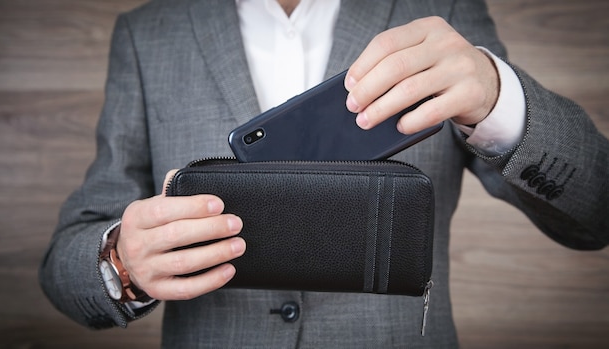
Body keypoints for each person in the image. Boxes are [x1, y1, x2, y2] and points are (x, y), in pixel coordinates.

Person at [39, 0, 609, 347]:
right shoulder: (149, 33)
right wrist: (120, 262)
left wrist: (498, 98)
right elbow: (65, 259)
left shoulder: (441, 11)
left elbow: (596, 210)